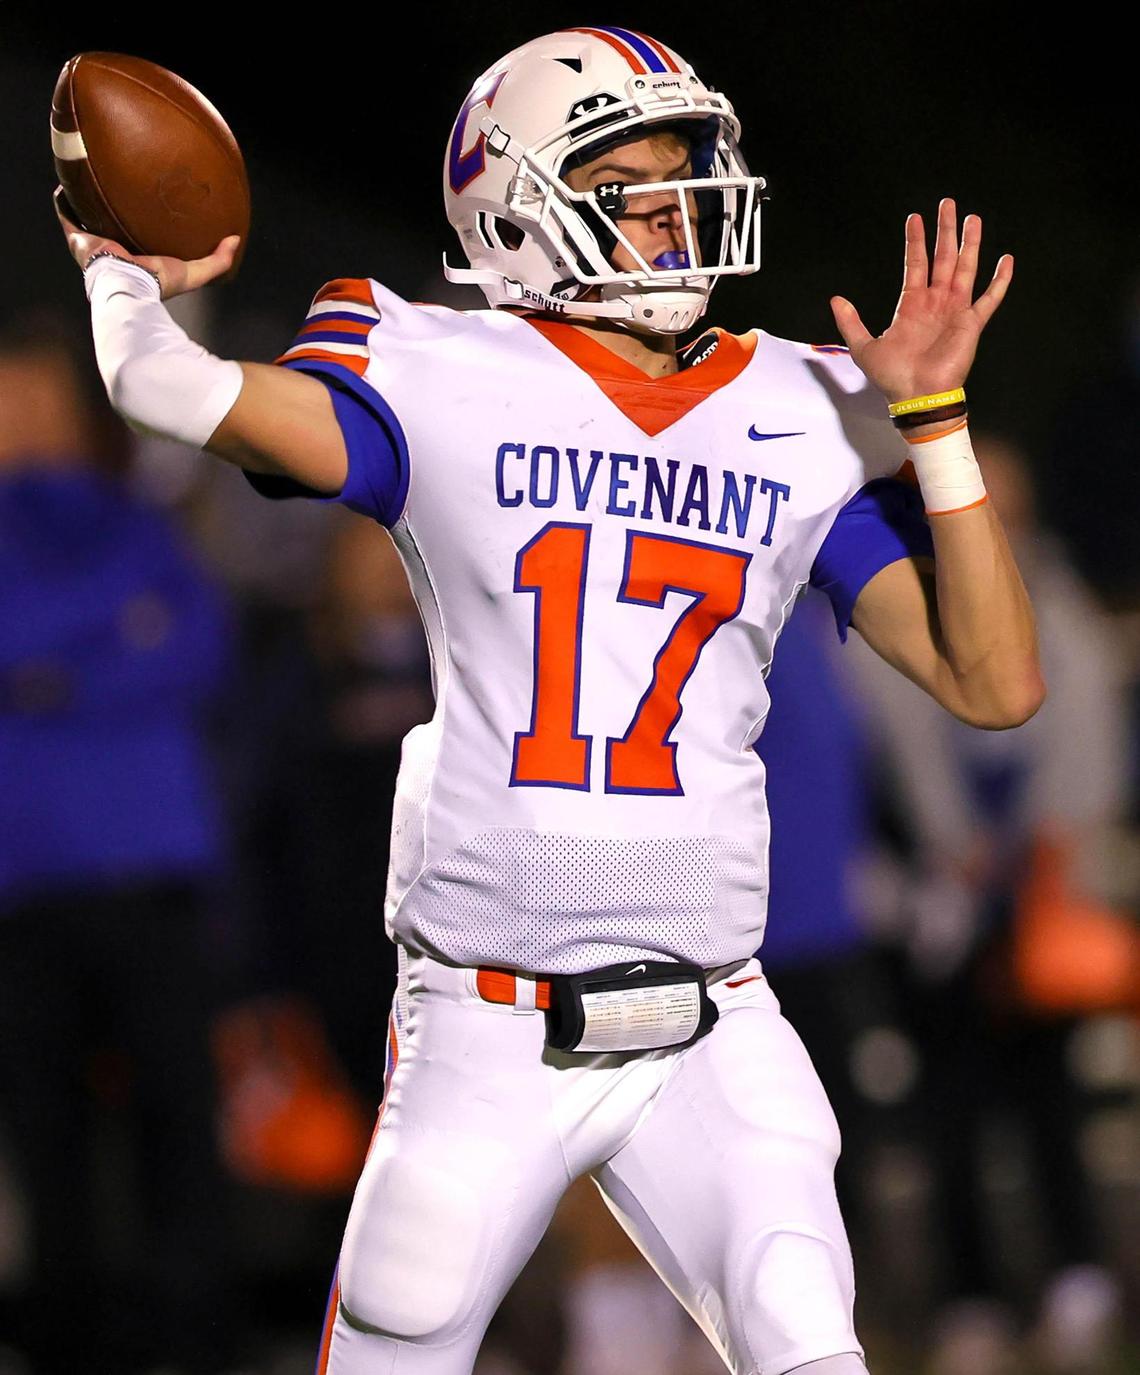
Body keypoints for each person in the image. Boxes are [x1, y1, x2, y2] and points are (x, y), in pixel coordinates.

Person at [57, 27, 1044, 1375]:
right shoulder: (435, 365)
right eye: (630, 180)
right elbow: (171, 390)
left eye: (685, 170)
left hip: (714, 1007)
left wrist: (935, 419)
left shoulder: (798, 398)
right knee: (400, 1340)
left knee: (809, 1334)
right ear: (518, 204)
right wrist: (126, 279)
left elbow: (993, 683)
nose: (677, 206)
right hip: (489, 1012)